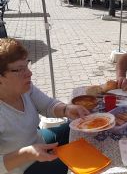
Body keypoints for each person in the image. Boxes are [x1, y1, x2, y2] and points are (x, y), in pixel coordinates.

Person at [0, 38, 90, 174]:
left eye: (27, 65)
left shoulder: (25, 89)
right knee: (82, 162)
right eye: (20, 69)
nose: (29, 73)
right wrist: (27, 154)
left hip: (38, 141)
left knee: (81, 130)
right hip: (21, 168)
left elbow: (48, 105)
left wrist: (66, 109)